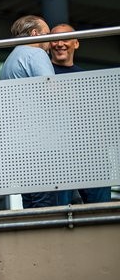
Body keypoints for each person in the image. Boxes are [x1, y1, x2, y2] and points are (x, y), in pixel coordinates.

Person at [49, 23, 111, 205]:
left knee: (100, 212)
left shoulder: (87, 78)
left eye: (65, 39)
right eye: (53, 39)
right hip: (59, 156)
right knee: (60, 213)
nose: (59, 43)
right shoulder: (43, 74)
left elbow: (98, 118)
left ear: (76, 43)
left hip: (91, 154)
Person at [0, 15, 57, 209]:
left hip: (19, 140)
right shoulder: (35, 54)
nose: (51, 42)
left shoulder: (9, 60)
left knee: (30, 198)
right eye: (47, 35)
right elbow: (51, 90)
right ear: (35, 34)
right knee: (45, 200)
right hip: (38, 138)